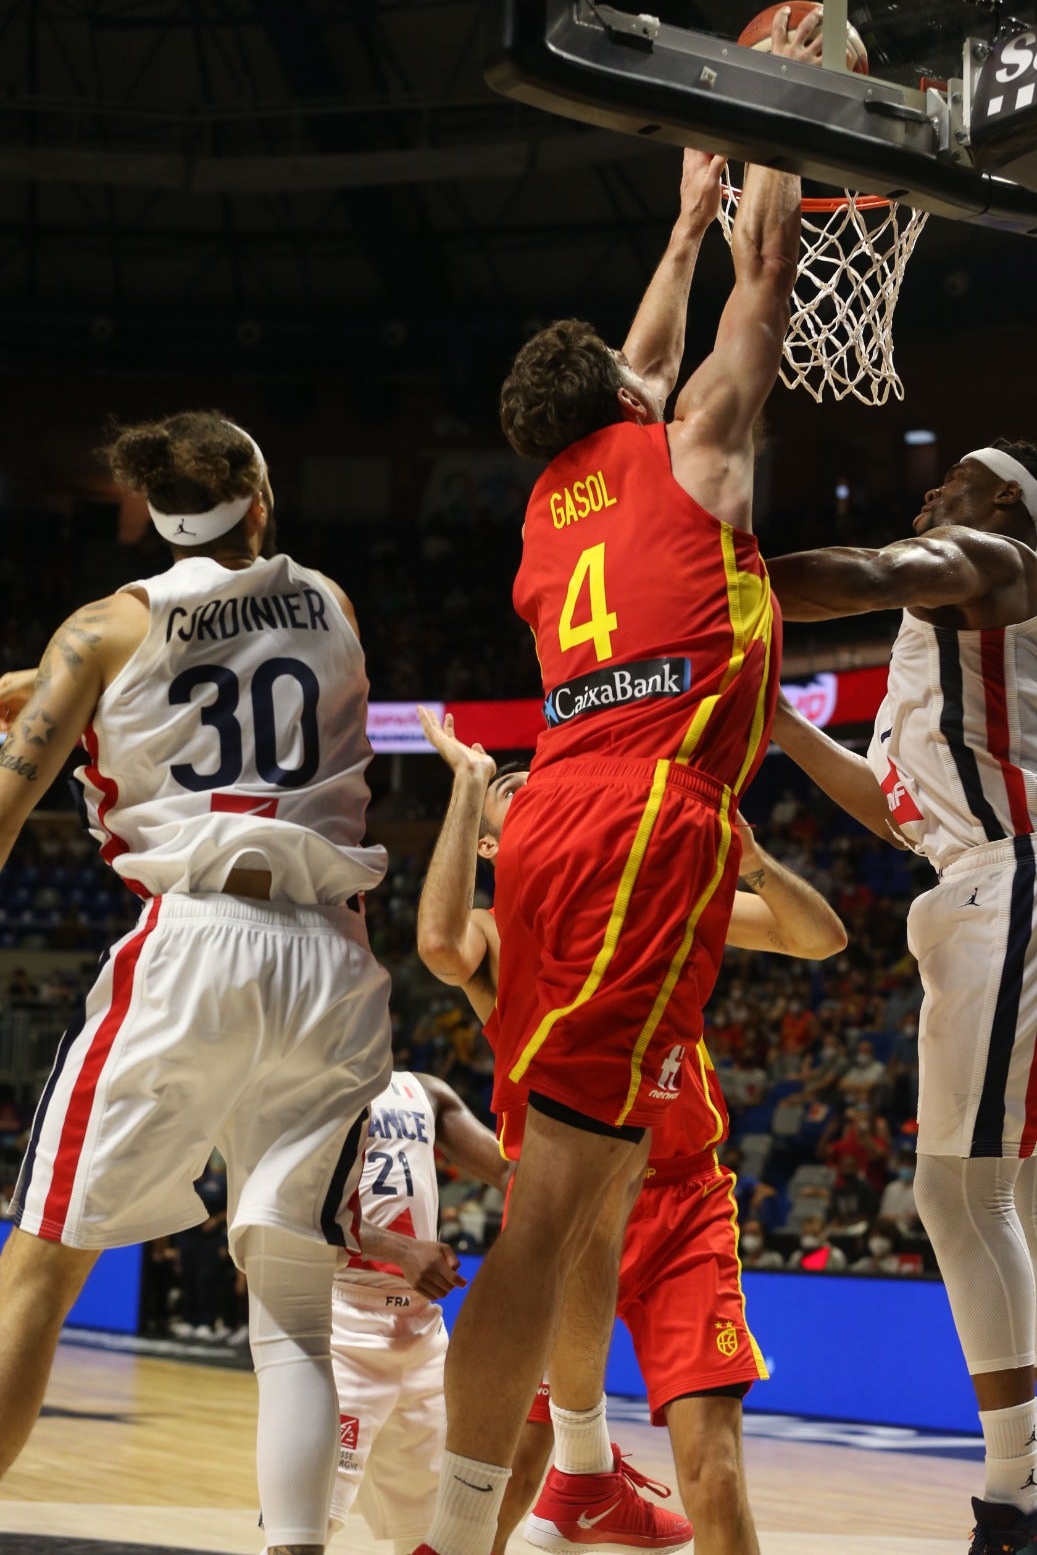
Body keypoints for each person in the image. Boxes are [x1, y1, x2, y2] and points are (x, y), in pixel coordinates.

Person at [409, 6, 825, 1555]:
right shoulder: (696, 453)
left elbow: (649, 347)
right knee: (549, 1207)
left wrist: (682, 216)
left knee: (590, 1174)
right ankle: (463, 1527)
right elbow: (765, 299)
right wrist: (785, 138)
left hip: (564, 813)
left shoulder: (548, 505)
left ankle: (570, 1465)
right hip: (648, 817)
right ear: (632, 406)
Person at [0, 409, 394, 1555]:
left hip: (196, 946)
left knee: (39, 1268)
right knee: (294, 1314)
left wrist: (53, 689)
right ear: (258, 502)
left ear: (149, 512)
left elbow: (31, 775)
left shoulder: (97, 632)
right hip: (329, 958)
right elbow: (206, 642)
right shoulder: (331, 601)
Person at [415, 704, 846, 1555]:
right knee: (515, 1464)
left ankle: (589, 1481)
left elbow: (819, 939)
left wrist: (753, 865)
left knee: (713, 1474)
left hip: (683, 1202)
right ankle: (551, 1497)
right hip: (561, 1209)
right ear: (494, 846)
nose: (526, 783)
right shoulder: (497, 934)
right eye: (508, 788)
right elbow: (438, 945)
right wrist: (467, 788)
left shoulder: (655, 901)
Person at [767, 438, 1037, 1553]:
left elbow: (873, 573)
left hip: (1008, 877)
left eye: (956, 484)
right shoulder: (938, 660)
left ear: (1007, 503)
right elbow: (890, 810)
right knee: (1002, 1193)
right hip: (970, 877)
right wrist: (780, 730)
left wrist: (715, 568)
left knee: (957, 1196)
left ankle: (1014, 1493)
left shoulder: (998, 557)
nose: (933, 494)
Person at [329, 1070, 509, 1552]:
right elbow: (297, 1208)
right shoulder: (315, 1078)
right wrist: (405, 1251)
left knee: (430, 1531)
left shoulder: (424, 1089)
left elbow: (510, 1173)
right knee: (308, 1522)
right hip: (344, 1318)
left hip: (423, 1329)